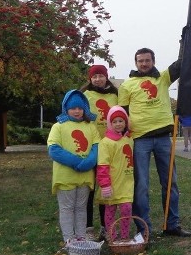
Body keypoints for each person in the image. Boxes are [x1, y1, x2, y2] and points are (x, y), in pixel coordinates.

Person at [118, 47, 191, 237]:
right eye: (140, 60)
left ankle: (172, 224)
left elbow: (181, 62)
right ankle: (144, 229)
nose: (144, 64)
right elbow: (122, 115)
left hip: (163, 139)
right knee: (141, 185)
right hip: (139, 139)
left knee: (170, 183)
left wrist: (185, 37)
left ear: (153, 61)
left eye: (147, 60)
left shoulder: (163, 78)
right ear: (135, 62)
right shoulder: (127, 86)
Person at [47, 90, 100, 244]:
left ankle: (81, 237)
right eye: (73, 108)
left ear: (84, 109)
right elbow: (54, 150)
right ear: (66, 109)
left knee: (81, 208)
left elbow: (97, 147)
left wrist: (89, 162)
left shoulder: (90, 127)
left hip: (85, 176)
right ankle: (69, 239)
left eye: (80, 108)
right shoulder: (58, 127)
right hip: (66, 177)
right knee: (67, 208)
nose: (77, 111)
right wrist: (77, 162)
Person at [81, 63, 118, 238]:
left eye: (100, 76)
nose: (97, 79)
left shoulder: (114, 95)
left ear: (106, 76)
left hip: (109, 147)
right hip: (91, 147)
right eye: (94, 76)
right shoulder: (84, 95)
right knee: (89, 189)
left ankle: (105, 225)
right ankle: (88, 227)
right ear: (90, 78)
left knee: (105, 187)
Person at [95, 106, 135, 242]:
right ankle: (112, 235)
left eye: (121, 121)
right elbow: (102, 166)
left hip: (126, 183)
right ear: (110, 124)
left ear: (126, 122)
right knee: (110, 210)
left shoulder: (129, 139)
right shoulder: (105, 143)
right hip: (112, 184)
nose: (118, 124)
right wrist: (105, 185)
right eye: (115, 122)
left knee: (126, 209)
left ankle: (124, 236)